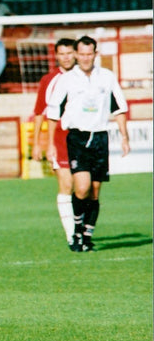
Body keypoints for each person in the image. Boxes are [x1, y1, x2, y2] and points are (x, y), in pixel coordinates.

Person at [46, 35, 130, 252]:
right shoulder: (67, 79)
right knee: (81, 188)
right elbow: (53, 112)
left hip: (100, 137)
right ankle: (76, 229)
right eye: (81, 54)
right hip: (77, 137)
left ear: (95, 54)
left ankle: (87, 234)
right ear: (76, 54)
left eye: (88, 54)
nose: (85, 58)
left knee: (94, 190)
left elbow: (119, 108)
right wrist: (50, 144)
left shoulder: (107, 77)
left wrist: (124, 136)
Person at [32, 38, 77, 248]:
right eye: (62, 53)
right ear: (56, 56)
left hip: (85, 138)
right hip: (60, 138)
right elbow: (40, 111)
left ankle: (83, 229)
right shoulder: (49, 80)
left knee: (86, 188)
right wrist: (37, 143)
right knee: (67, 185)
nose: (66, 57)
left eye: (70, 52)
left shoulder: (87, 77)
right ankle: (72, 236)